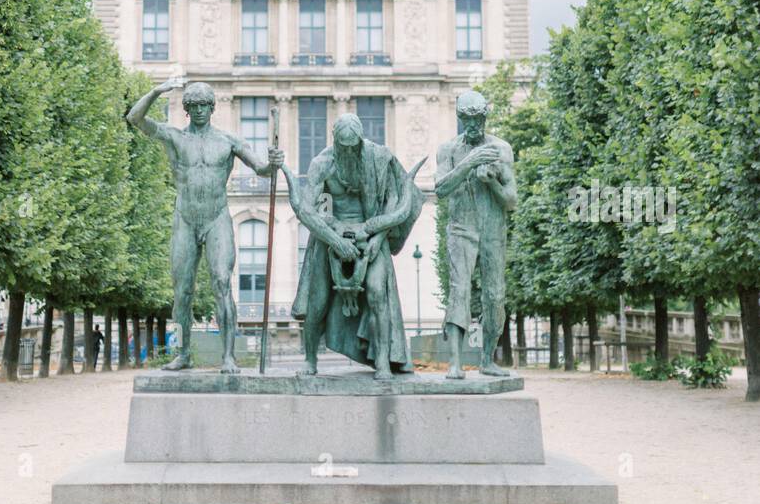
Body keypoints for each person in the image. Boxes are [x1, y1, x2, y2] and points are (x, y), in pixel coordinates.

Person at [126, 79, 283, 373]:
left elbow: (261, 169)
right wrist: (157, 91)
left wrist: (272, 163)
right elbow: (135, 118)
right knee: (182, 291)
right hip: (185, 219)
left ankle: (228, 357)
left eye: (203, 105)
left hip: (216, 218)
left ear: (212, 108)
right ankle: (183, 354)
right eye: (193, 105)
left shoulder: (229, 141)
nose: (199, 110)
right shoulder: (174, 136)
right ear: (186, 109)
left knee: (222, 283)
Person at [285, 112, 425, 379]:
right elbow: (308, 210)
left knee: (377, 292)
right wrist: (336, 240)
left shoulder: (379, 157)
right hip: (330, 235)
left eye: (354, 146)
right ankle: (310, 359)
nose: (349, 151)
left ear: (361, 140)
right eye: (343, 146)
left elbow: (394, 203)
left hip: (372, 233)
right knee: (317, 301)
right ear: (334, 140)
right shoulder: (321, 163)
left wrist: (378, 238)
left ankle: (382, 360)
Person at [435, 90, 518, 379]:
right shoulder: (448, 150)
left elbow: (511, 200)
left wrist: (492, 182)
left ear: (485, 118)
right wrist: (469, 163)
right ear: (460, 118)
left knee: (495, 296)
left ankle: (487, 360)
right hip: (461, 228)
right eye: (467, 120)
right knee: (459, 290)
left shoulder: (501, 149)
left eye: (478, 120)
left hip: (493, 231)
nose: (473, 125)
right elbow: (441, 188)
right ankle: (455, 363)